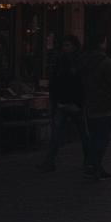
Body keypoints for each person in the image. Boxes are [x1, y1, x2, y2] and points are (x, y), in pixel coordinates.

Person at [36, 34, 90, 172]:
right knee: (56, 131)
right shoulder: (60, 61)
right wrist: (53, 95)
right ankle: (50, 160)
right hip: (61, 101)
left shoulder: (81, 61)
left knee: (84, 132)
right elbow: (54, 78)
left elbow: (83, 81)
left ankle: (89, 160)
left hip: (76, 102)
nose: (65, 48)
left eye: (68, 45)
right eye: (64, 45)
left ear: (75, 47)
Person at [79, 33, 111, 182]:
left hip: (89, 104)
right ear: (100, 44)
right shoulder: (107, 62)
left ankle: (94, 165)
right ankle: (93, 165)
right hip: (106, 104)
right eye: (104, 43)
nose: (106, 45)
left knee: (93, 137)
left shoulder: (83, 61)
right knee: (103, 138)